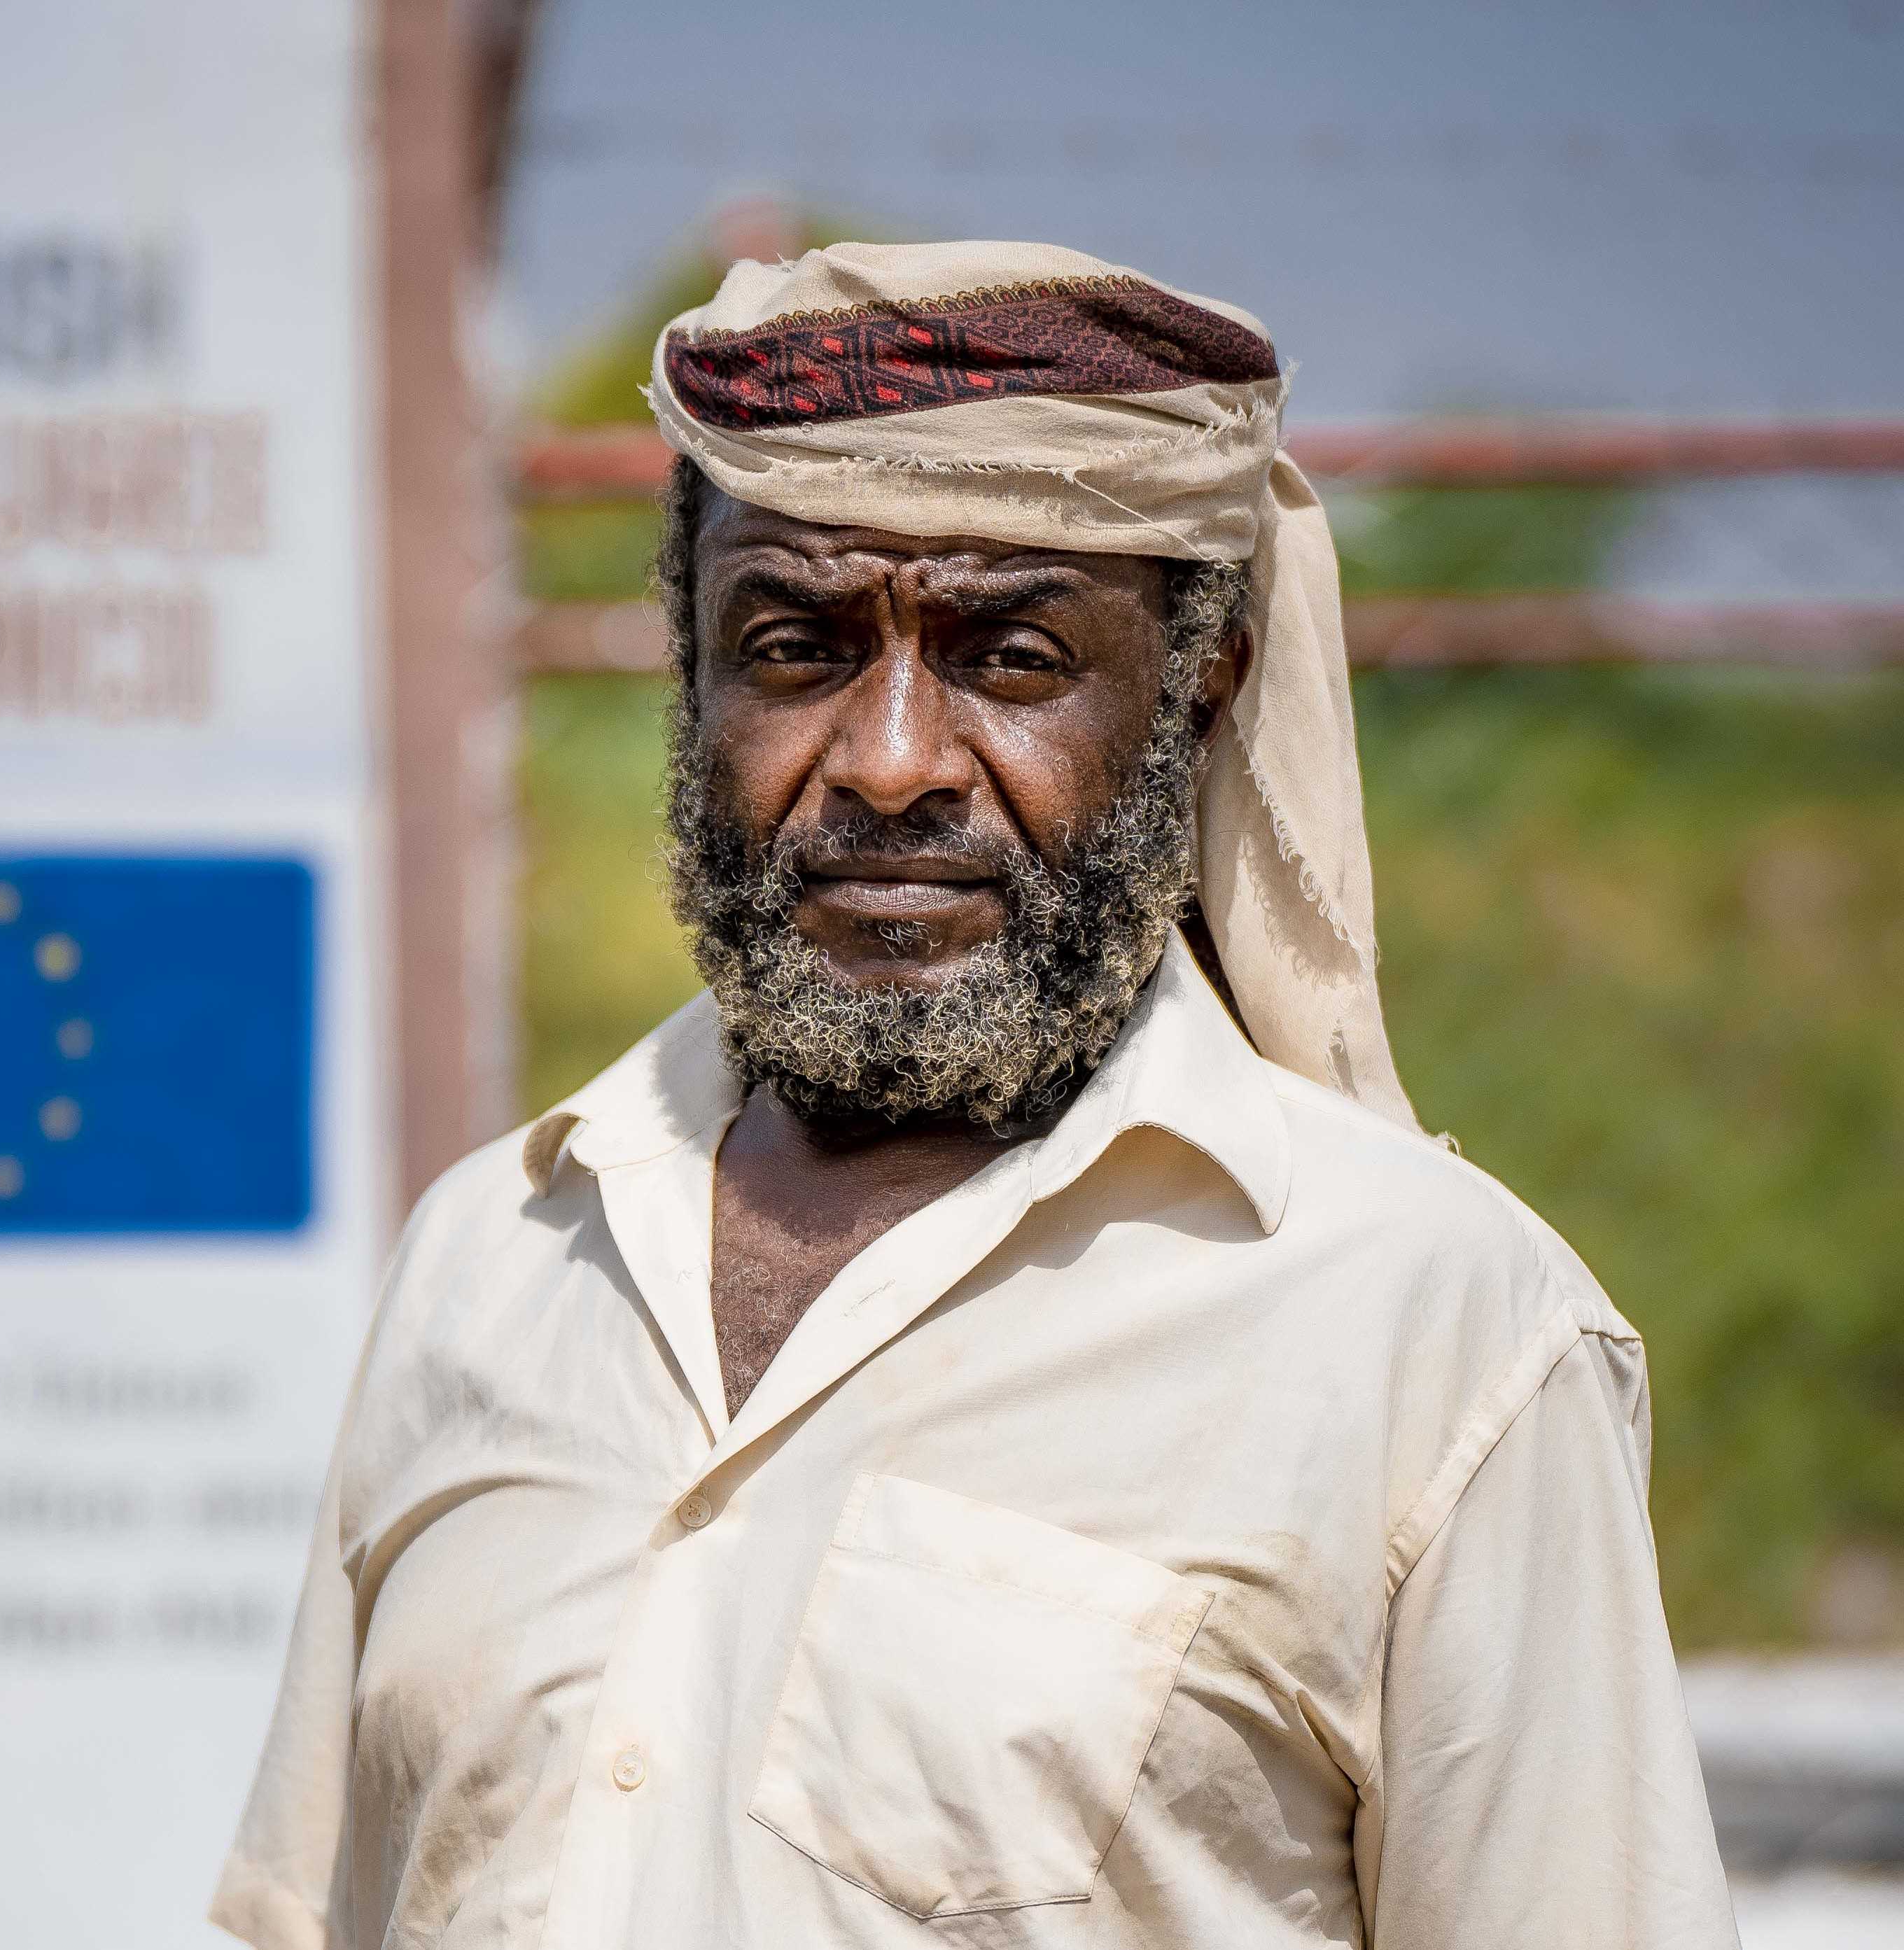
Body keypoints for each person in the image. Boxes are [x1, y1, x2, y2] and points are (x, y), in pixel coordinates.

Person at [211, 241, 1737, 1949]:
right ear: (692, 676)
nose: (885, 762)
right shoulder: (489, 1258)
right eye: (791, 647)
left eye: (1009, 658)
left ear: (1196, 685)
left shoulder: (1432, 1330)